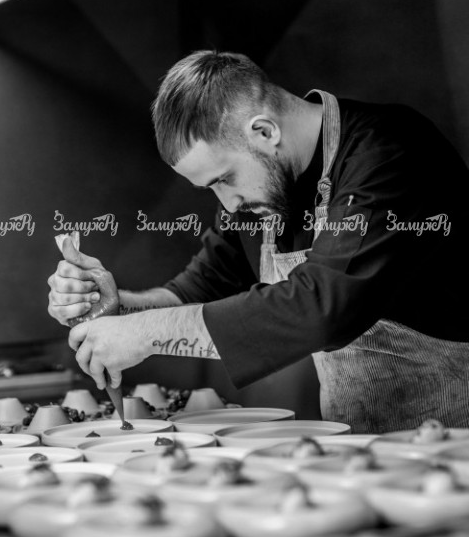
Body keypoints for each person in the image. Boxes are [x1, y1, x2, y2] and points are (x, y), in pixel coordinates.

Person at [48, 50, 469, 434]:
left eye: (224, 179)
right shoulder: (254, 201)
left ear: (264, 131)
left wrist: (144, 334)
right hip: (363, 449)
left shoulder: (390, 153)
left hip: (455, 442)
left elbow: (323, 309)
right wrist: (118, 309)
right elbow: (197, 291)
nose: (228, 205)